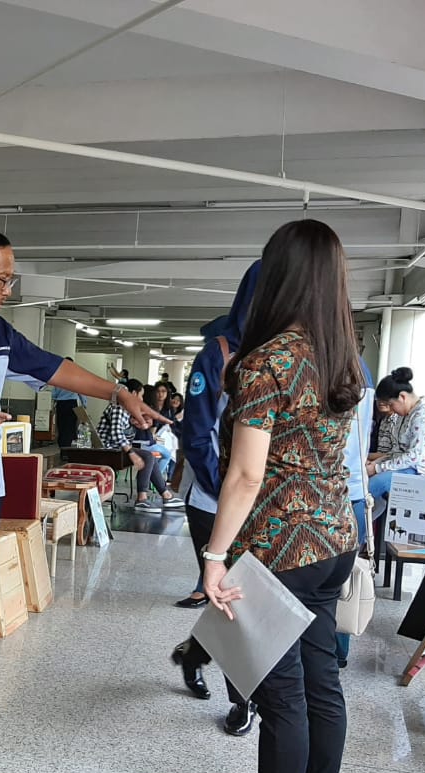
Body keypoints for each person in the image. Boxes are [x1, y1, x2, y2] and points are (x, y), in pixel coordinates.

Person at [0, 228, 162, 763]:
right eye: (1, 278)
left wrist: (120, 392)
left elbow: (56, 368)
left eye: (12, 279)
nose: (8, 288)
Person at [187, 219, 363, 773]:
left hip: (285, 548)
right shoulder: (343, 357)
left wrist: (213, 557)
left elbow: (245, 474)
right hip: (334, 541)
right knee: (321, 683)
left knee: (281, 693)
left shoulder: (266, 361)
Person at [168, 263, 257, 735]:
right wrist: (223, 487)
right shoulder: (217, 355)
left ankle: (193, 651)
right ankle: (242, 701)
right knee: (235, 602)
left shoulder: (290, 355)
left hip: (264, 510)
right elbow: (196, 435)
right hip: (214, 501)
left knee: (242, 601)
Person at [366, 367, 425, 517]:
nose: (390, 410)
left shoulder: (424, 416)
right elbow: (397, 451)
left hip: (421, 474)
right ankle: (362, 535)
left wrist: (377, 468)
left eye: (391, 405)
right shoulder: (407, 415)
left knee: (367, 488)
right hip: (407, 469)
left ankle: (353, 536)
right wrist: (375, 464)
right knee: (369, 485)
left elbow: (413, 457)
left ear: (402, 397)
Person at [335, 358, 374, 667]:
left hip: (324, 494)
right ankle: (337, 650)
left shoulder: (319, 362)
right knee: (341, 581)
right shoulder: (362, 370)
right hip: (355, 493)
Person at [99, 379, 182, 513]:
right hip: (110, 449)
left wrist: (134, 422)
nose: (142, 398)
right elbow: (116, 432)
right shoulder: (118, 407)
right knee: (148, 456)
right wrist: (131, 453)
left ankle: (165, 495)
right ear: (133, 393)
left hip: (117, 448)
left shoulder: (126, 409)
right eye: (141, 395)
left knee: (150, 457)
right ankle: (142, 499)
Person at [52, 361, 85, 449]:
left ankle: (62, 448)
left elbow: (53, 395)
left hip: (61, 404)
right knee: (71, 427)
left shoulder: (57, 376)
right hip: (71, 404)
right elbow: (81, 391)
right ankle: (70, 449)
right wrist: (84, 404)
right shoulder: (75, 377)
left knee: (61, 427)